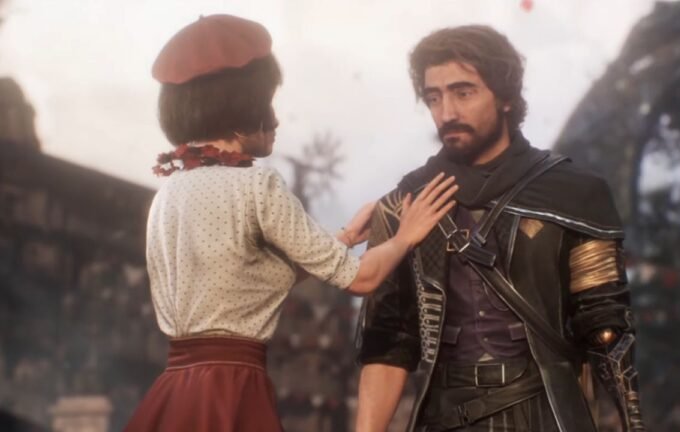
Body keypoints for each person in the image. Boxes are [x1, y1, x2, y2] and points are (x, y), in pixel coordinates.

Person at [123, 15, 457, 432]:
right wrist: (406, 236)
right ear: (240, 107)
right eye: (267, 102)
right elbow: (362, 280)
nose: (276, 120)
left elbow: (245, 286)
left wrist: (344, 238)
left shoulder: (167, 195)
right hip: (232, 390)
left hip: (175, 391)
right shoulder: (255, 184)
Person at [356, 25, 645, 432]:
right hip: (444, 417)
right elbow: (387, 344)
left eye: (464, 93)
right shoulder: (407, 202)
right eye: (434, 98)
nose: (447, 112)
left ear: (506, 96)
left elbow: (606, 330)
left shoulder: (573, 194)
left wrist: (633, 424)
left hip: (546, 415)